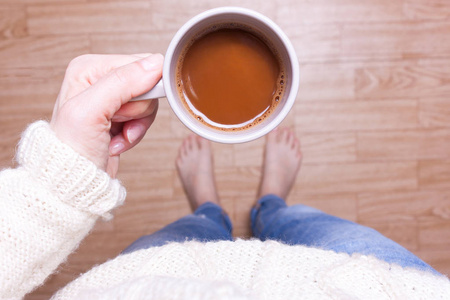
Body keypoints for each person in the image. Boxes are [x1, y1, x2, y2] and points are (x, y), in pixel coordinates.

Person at [0, 53, 449, 300]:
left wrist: (53, 185)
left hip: (139, 283)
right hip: (381, 289)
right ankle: (271, 203)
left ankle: (209, 209)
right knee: (311, 224)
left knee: (192, 232)